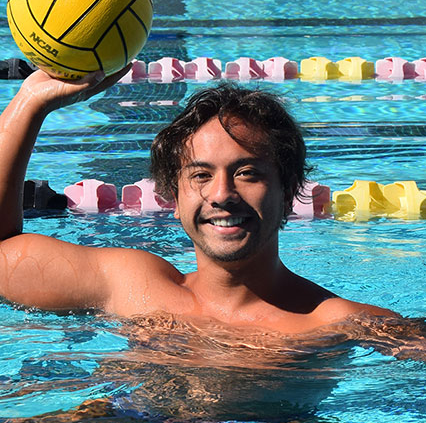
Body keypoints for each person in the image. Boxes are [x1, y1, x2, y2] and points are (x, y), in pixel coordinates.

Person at [0, 67, 397, 333]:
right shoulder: (130, 287)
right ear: (173, 198)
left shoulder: (330, 323)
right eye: (201, 175)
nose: (222, 195)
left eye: (247, 173)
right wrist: (31, 103)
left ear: (289, 190)